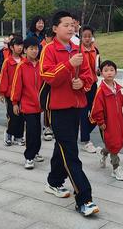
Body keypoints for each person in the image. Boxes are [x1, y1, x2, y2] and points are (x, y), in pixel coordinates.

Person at [40, 11, 99, 217]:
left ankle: (53, 182)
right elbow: (47, 76)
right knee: (71, 153)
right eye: (65, 25)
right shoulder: (48, 49)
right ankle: (84, 198)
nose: (71, 28)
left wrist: (82, 82)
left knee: (63, 147)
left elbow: (89, 75)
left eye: (72, 25)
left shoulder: (78, 49)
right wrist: (68, 65)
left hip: (76, 105)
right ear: (55, 28)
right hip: (58, 108)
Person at [90, 60, 123, 181]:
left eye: (112, 70)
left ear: (116, 72)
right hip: (108, 122)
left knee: (118, 140)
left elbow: (120, 102)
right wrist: (101, 122)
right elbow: (97, 109)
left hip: (118, 121)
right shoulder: (101, 91)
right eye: (106, 71)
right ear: (101, 73)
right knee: (114, 143)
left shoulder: (117, 88)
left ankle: (103, 152)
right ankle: (116, 168)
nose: (109, 73)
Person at [11, 36, 44, 169]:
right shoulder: (22, 66)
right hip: (27, 105)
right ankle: (29, 157)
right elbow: (16, 86)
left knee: (38, 131)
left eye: (36, 48)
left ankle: (36, 151)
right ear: (25, 50)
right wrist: (14, 102)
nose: (34, 51)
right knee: (31, 131)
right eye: (31, 49)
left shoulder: (42, 64)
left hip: (40, 105)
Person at [0, 35, 25, 146]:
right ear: (12, 47)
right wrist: (2, 93)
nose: (20, 47)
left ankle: (19, 136)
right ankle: (9, 133)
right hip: (10, 94)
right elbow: (3, 78)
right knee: (12, 116)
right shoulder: (8, 62)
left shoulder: (24, 61)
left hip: (23, 94)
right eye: (17, 45)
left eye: (21, 45)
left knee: (21, 116)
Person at [79, 25, 99, 153]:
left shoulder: (95, 50)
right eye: (84, 36)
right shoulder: (77, 51)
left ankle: (83, 130)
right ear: (81, 37)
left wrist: (99, 70)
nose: (87, 38)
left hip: (93, 84)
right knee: (83, 112)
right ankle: (86, 140)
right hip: (82, 86)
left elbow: (98, 66)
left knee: (96, 111)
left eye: (89, 36)